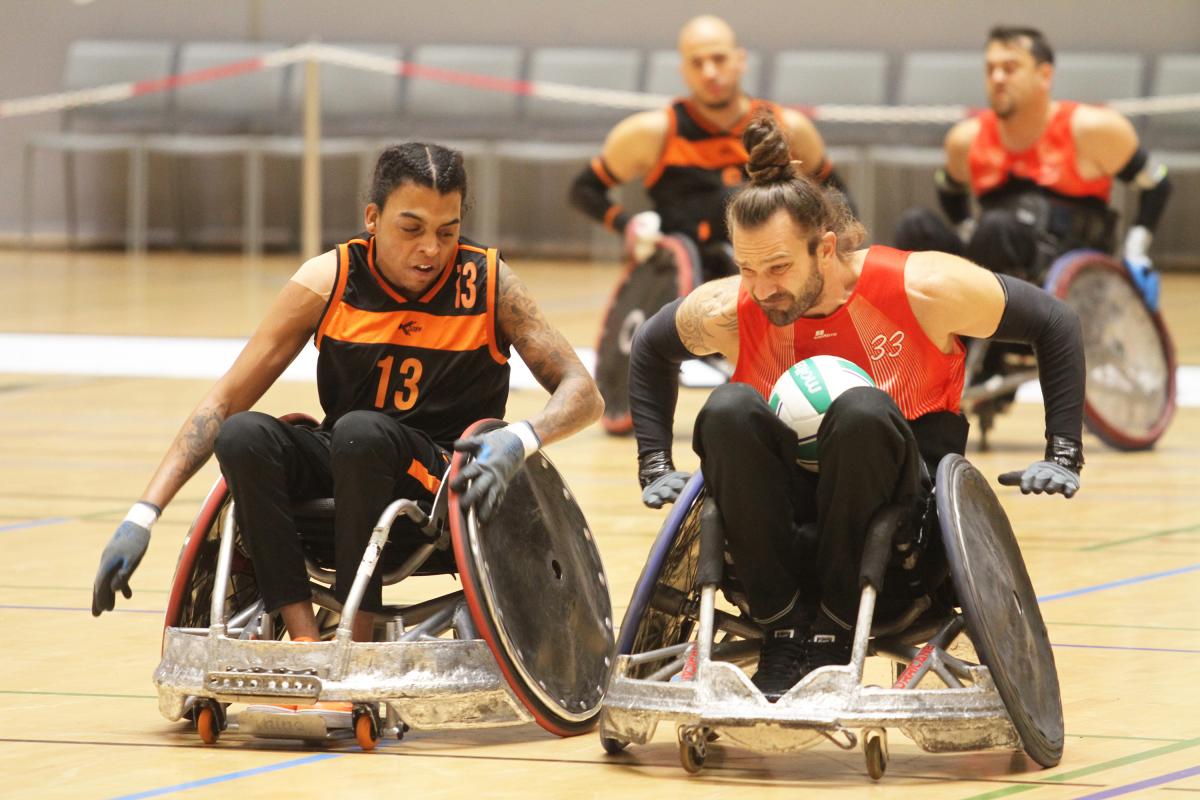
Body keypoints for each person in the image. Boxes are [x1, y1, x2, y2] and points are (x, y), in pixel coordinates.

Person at [629, 111, 1085, 702]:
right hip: (784, 536)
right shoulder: (734, 307)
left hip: (904, 537)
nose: (762, 288)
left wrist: (1064, 452)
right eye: (746, 268)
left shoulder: (922, 288)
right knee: (727, 408)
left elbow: (1055, 321)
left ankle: (838, 627)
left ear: (825, 247)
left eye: (779, 267)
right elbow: (648, 349)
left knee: (862, 411)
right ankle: (783, 622)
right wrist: (654, 464)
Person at [92, 143, 604, 652]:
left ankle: (355, 646)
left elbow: (584, 393)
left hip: (442, 483)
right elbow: (223, 403)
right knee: (244, 434)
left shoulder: (487, 282)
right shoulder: (329, 278)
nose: (431, 248)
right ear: (373, 219)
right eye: (412, 229)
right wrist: (143, 515)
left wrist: (521, 439)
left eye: (447, 231)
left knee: (361, 430)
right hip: (350, 459)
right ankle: (306, 641)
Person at [569, 14, 851, 433]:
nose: (711, 72)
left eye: (719, 59)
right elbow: (584, 190)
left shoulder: (786, 128)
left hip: (773, 270)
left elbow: (839, 200)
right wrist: (627, 225)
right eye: (697, 63)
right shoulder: (652, 132)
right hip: (689, 273)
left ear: (740, 61)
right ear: (684, 70)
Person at [894, 25, 1172, 309]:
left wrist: (1136, 251)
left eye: (1010, 68)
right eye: (990, 69)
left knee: (995, 228)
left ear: (1045, 75)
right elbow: (947, 187)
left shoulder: (1093, 129)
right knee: (916, 225)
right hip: (988, 258)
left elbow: (1158, 182)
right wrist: (967, 229)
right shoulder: (966, 140)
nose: (997, 78)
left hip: (1059, 270)